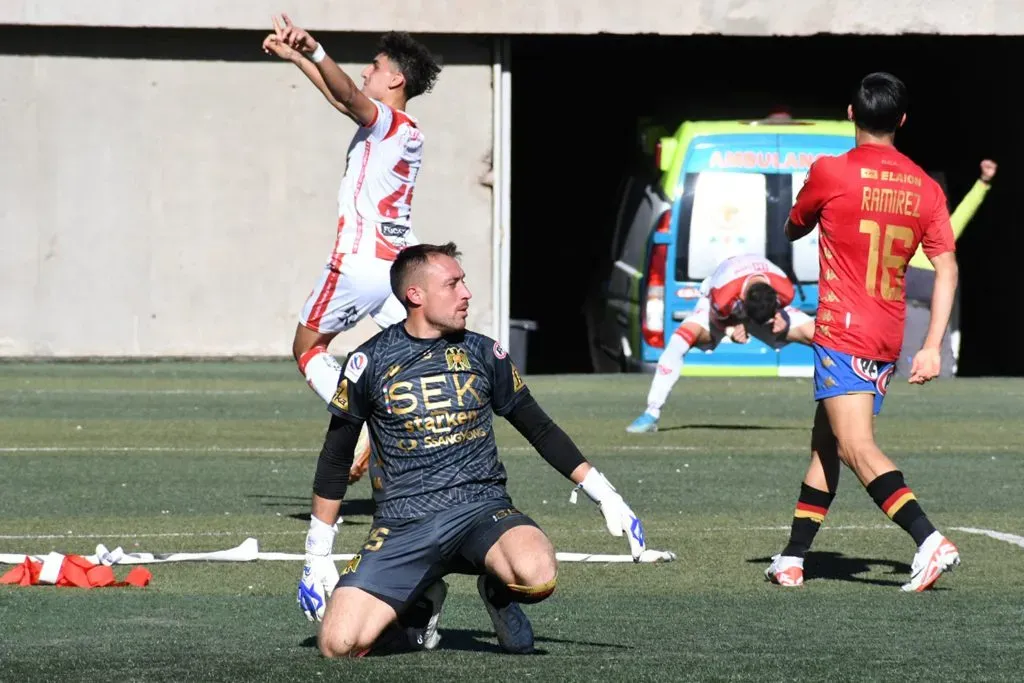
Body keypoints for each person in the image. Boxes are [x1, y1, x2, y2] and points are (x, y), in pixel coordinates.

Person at [297, 242, 649, 657]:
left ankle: (498, 594)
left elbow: (539, 427)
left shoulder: (485, 352)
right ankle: (418, 608)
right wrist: (317, 550)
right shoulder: (368, 362)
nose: (466, 293)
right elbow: (337, 455)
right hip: (403, 523)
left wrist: (604, 493)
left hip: (480, 510)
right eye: (453, 284)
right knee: (338, 645)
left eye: (463, 282)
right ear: (416, 295)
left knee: (536, 574)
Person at [765, 72, 960, 592]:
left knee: (854, 446)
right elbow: (947, 268)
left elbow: (792, 227)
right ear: (901, 121)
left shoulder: (831, 171)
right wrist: (932, 346)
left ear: (851, 114)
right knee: (825, 445)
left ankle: (929, 539)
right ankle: (793, 557)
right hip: (886, 335)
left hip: (841, 331)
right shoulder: (926, 187)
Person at [262, 15, 442, 484]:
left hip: (359, 262)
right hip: (393, 270)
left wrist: (316, 49)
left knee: (307, 347)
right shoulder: (404, 129)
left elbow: (345, 94)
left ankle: (360, 424)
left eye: (375, 66)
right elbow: (339, 99)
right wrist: (298, 58)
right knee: (410, 359)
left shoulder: (386, 123)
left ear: (396, 79)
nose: (366, 72)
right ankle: (418, 458)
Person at [626, 253, 815, 433]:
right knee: (678, 342)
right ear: (742, 301)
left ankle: (842, 395)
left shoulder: (785, 290)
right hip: (717, 311)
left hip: (757, 309)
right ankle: (652, 412)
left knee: (820, 334)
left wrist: (780, 318)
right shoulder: (723, 295)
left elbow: (779, 308)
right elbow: (717, 319)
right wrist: (732, 330)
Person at [898, 159, 997, 378]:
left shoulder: (945, 230)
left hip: (937, 307)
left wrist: (983, 181)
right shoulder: (904, 228)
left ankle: (941, 376)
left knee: (940, 354)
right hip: (910, 306)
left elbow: (966, 209)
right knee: (907, 354)